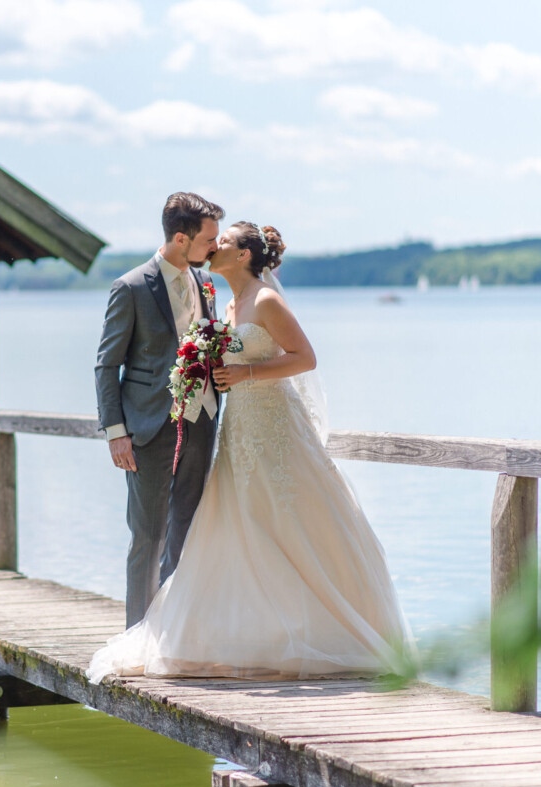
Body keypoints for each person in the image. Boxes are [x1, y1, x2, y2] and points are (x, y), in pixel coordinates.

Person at [88, 222, 412, 682]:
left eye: (223, 242)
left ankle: (325, 631)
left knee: (288, 520)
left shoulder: (265, 300)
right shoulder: (227, 300)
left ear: (242, 256)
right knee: (236, 525)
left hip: (275, 425)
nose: (213, 247)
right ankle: (252, 633)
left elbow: (305, 357)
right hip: (238, 428)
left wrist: (248, 375)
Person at [94, 192, 225, 627]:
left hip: (202, 421)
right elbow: (107, 364)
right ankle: (136, 634)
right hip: (148, 427)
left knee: (186, 532)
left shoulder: (205, 284)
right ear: (181, 238)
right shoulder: (131, 287)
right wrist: (116, 431)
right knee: (148, 536)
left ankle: (173, 632)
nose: (216, 247)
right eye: (210, 239)